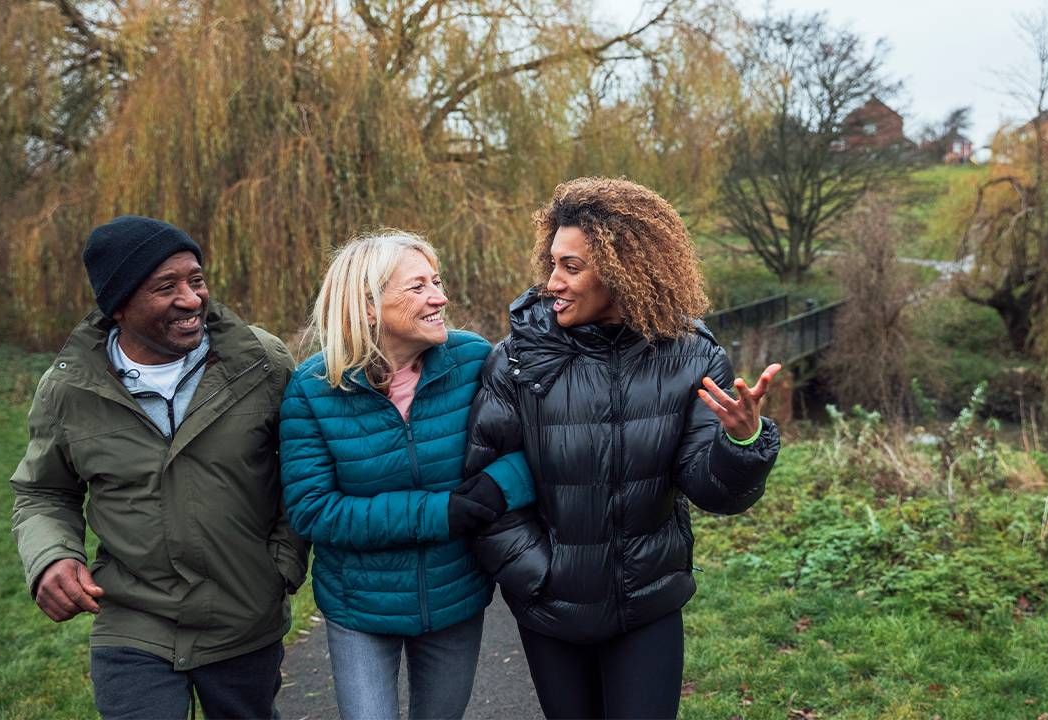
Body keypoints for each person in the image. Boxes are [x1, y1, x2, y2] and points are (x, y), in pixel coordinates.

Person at [465, 177, 783, 719]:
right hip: (551, 609)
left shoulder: (692, 357)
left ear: (624, 269)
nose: (552, 283)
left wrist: (740, 440)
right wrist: (539, 574)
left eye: (572, 267)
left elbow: (713, 491)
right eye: (553, 263)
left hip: (647, 606)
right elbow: (485, 490)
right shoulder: (518, 359)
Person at [10, 215, 308, 720]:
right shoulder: (70, 389)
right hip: (132, 617)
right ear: (119, 305)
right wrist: (52, 557)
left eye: (196, 280)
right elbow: (44, 492)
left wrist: (280, 566)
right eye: (166, 287)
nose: (191, 299)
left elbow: (302, 466)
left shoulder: (260, 362)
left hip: (243, 615)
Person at [278, 230, 534, 720]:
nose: (440, 297)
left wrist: (496, 490)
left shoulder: (474, 360)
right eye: (417, 287)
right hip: (360, 608)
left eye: (435, 281)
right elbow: (314, 510)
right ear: (368, 306)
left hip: (455, 594)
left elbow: (532, 450)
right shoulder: (312, 388)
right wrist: (441, 512)